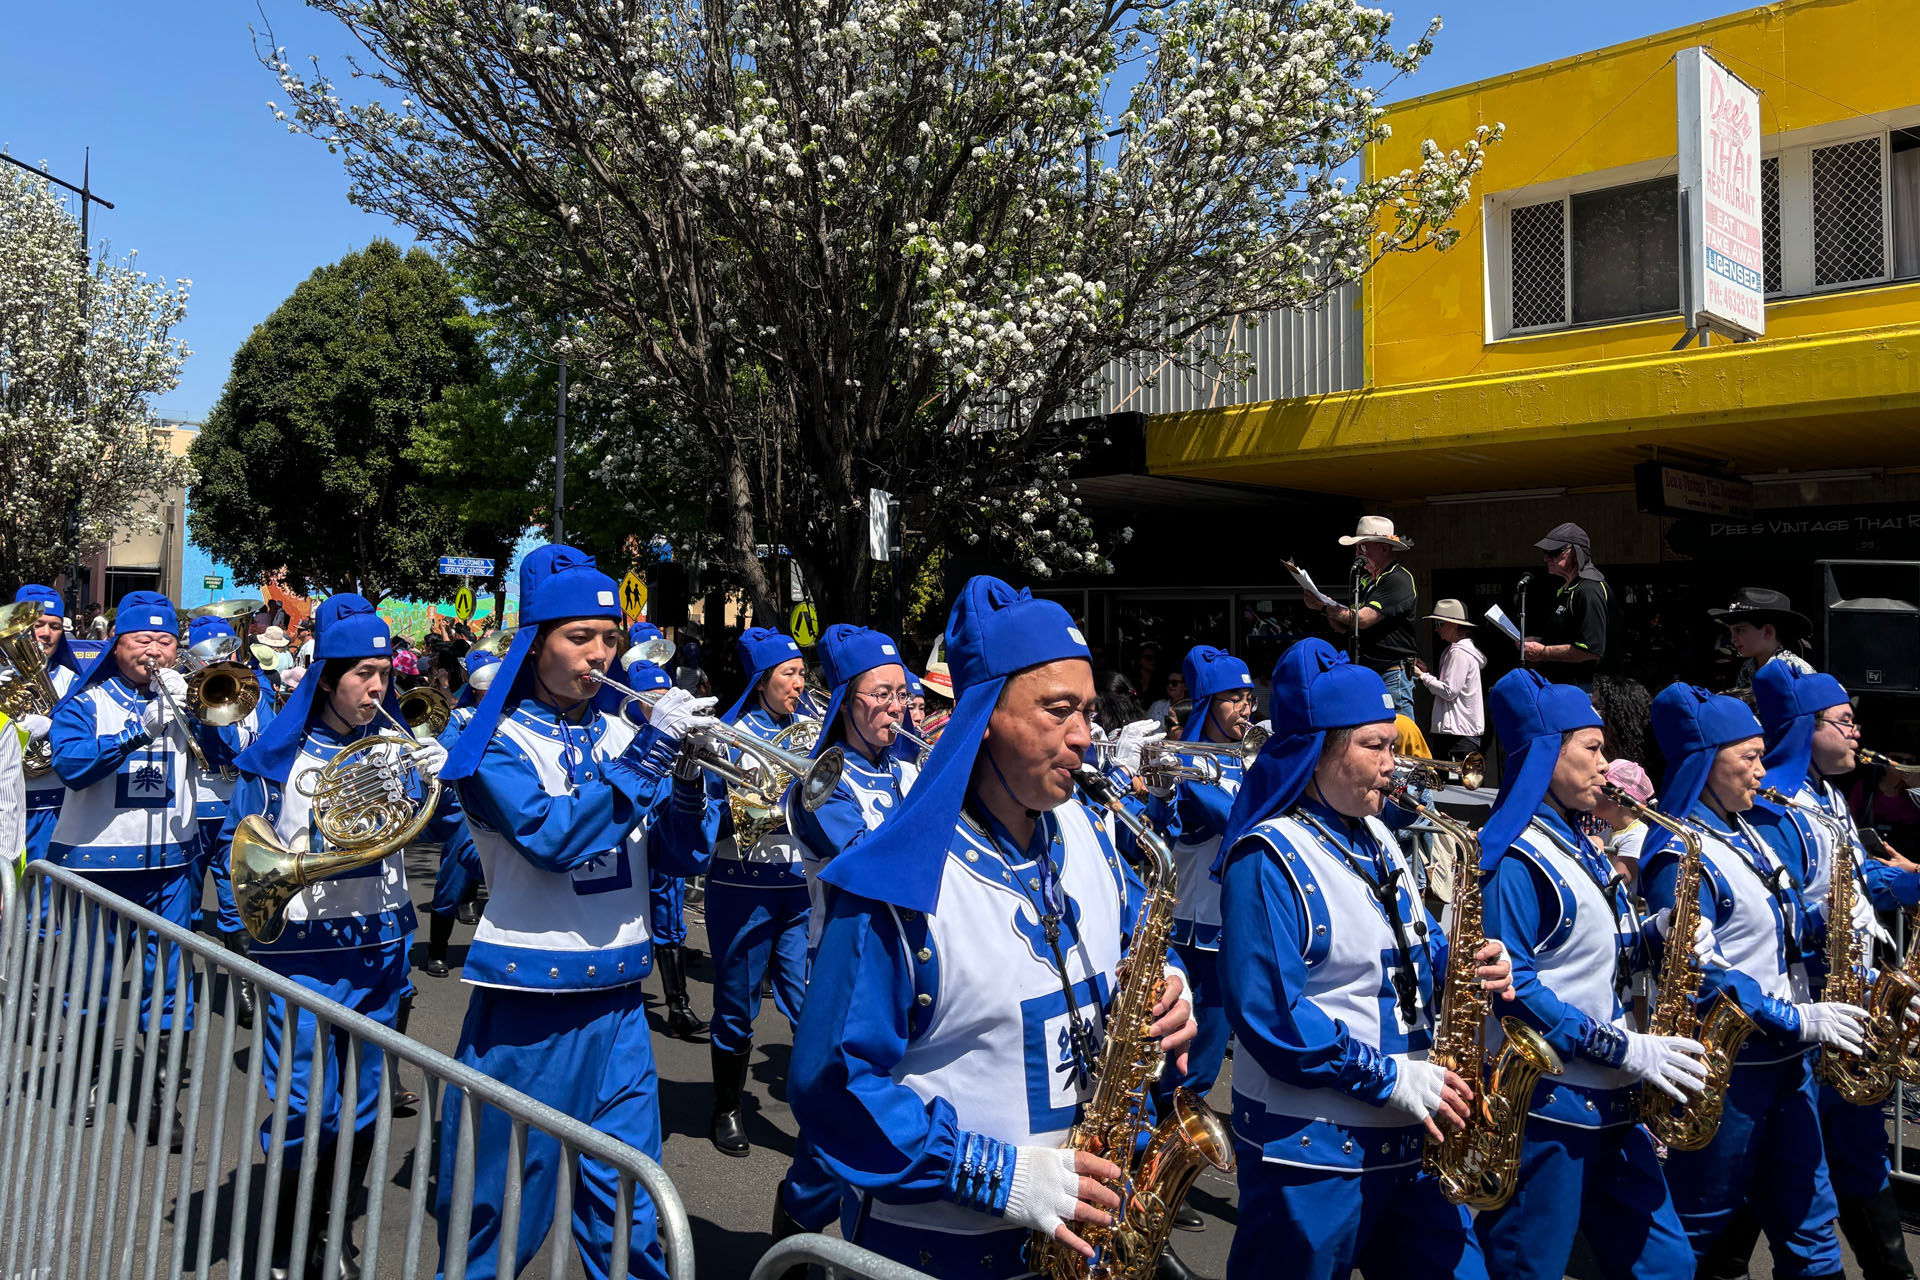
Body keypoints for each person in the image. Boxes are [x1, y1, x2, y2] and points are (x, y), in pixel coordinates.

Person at [790, 576, 1196, 1280]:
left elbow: (1138, 931)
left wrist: (1171, 983)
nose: (1084, 737)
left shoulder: (1091, 830)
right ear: (984, 718)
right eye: (1057, 711)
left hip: (1088, 1233)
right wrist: (996, 1174)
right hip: (939, 1251)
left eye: (1087, 712)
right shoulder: (895, 885)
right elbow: (832, 1088)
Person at [433, 544, 720, 1280]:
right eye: (580, 637)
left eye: (610, 637)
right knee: (498, 1219)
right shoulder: (490, 739)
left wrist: (690, 779)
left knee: (631, 1216)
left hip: (620, 1004)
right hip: (529, 1007)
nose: (600, 653)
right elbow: (551, 839)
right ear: (535, 644)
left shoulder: (624, 732)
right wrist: (651, 758)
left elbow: (681, 856)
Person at [1213, 637, 1512, 1280]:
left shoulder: (1378, 835)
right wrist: (1391, 1079)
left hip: (1416, 1138)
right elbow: (1270, 1015)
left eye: (1392, 745)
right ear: (1318, 750)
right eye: (1375, 746)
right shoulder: (1266, 856)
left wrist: (1470, 963)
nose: (1392, 765)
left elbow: (1418, 944)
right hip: (1313, 1153)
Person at [222, 593, 461, 1276]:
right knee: (308, 1107)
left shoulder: (396, 751)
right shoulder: (280, 759)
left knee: (363, 1103)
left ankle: (330, 1231)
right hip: (301, 954)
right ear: (327, 679)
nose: (377, 688)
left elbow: (443, 834)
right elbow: (240, 855)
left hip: (379, 948)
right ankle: (284, 1234)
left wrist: (443, 783)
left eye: (383, 673)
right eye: (362, 674)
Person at [1470, 668, 1707, 1280]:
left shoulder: (1580, 843)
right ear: (1547, 754)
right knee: (1528, 1268)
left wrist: (1658, 935)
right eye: (1594, 748)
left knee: (1668, 1265)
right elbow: (1512, 991)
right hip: (1546, 1107)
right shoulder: (1514, 856)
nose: (1607, 766)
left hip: (1615, 1096)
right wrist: (1624, 1047)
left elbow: (1598, 955)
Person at [1639, 683, 1867, 1279]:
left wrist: (1837, 927)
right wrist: (1796, 1016)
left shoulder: (1751, 830)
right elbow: (1699, 974)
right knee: (1695, 1230)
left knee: (1813, 1226)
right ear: (1706, 763)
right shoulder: (1679, 852)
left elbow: (1780, 930)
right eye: (1750, 758)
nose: (1764, 771)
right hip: (1730, 1072)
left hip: (1790, 1063)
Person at [1727, 663, 1920, 1280]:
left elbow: (1856, 886)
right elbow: (1781, 915)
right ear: (1805, 729)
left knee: (1856, 1153)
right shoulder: (1776, 808)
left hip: (1851, 1001)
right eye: (1844, 721)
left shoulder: (1832, 796)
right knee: (1780, 1164)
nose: (1856, 732)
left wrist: (1906, 884)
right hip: (1808, 1010)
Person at [774, 624, 922, 1243]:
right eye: (881, 695)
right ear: (845, 702)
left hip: (916, 965)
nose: (897, 708)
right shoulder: (823, 783)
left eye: (902, 694)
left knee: (905, 1107)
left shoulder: (912, 770)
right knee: (838, 1121)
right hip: (848, 971)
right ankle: (791, 1238)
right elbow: (870, 864)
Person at [47, 590, 205, 1149]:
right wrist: (139, 730)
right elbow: (70, 765)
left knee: (170, 987)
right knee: (90, 981)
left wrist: (204, 715)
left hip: (170, 868)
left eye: (165, 640)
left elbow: (236, 757)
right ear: (117, 646)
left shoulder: (186, 698)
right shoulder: (87, 703)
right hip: (96, 868)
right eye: (143, 640)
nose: (155, 651)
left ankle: (162, 1097)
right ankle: (85, 1080)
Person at [704, 625, 815, 1157]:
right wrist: (749, 809)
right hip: (741, 886)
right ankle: (727, 1107)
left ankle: (818, 1114)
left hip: (798, 886)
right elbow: (705, 818)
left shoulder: (811, 733)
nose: (799, 683)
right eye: (789, 674)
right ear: (762, 679)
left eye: (801, 673)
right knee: (737, 1004)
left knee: (809, 1002)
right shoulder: (729, 734)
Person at [1145, 645, 1253, 1169]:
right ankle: (1151, 1156)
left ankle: (1175, 1154)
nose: (1246, 709)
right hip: (1189, 926)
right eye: (1234, 698)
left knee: (1208, 1054)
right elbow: (1235, 820)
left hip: (1233, 924)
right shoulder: (1185, 761)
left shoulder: (1249, 758)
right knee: (1176, 1054)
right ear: (1208, 703)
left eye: (1249, 698)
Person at [183, 613, 277, 1030]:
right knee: (183, 901)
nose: (219, 660)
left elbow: (268, 744)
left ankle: (244, 987)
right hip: (189, 808)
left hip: (237, 806)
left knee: (237, 895)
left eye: (226, 651)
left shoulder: (258, 689)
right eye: (209, 654)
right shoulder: (181, 692)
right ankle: (178, 984)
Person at [422, 648, 502, 979]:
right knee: (453, 876)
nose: (491, 688)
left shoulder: (513, 715)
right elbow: (449, 748)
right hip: (468, 808)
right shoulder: (459, 717)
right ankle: (437, 949)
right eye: (485, 682)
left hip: (504, 806)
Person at [1301, 516, 1419, 718]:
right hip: (1367, 672)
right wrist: (1326, 607)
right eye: (1357, 547)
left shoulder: (1398, 579)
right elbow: (1346, 627)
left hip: (1391, 674)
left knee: (1397, 728)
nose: (1357, 553)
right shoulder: (1366, 581)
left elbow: (1363, 620)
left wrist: (1325, 606)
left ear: (1384, 548)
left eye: (1363, 547)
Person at [4, 585, 85, 863]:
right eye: (37, 624)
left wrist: (54, 727)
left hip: (52, 808)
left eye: (55, 626)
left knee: (44, 887)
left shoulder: (73, 681)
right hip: (5, 806)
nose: (46, 633)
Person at [1524, 523, 1613, 687]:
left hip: (1585, 689)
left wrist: (1542, 651)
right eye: (1545, 553)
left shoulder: (1589, 590)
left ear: (1575, 552)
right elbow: (1569, 635)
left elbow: (1591, 650)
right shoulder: (1569, 589)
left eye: (1553, 552)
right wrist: (1541, 641)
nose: (1546, 558)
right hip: (1566, 686)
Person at [1413, 599, 1485, 761]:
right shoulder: (1456, 651)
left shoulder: (1458, 652)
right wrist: (1427, 673)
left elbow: (1449, 691)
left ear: (1453, 625)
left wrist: (1423, 675)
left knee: (1453, 777)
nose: (1436, 629)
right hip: (1458, 732)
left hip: (1456, 734)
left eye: (1439, 624)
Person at [1712, 588, 1816, 690]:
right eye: (1731, 632)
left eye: (1739, 630)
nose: (1733, 639)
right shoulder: (1747, 667)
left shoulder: (1796, 671)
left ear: (1767, 632)